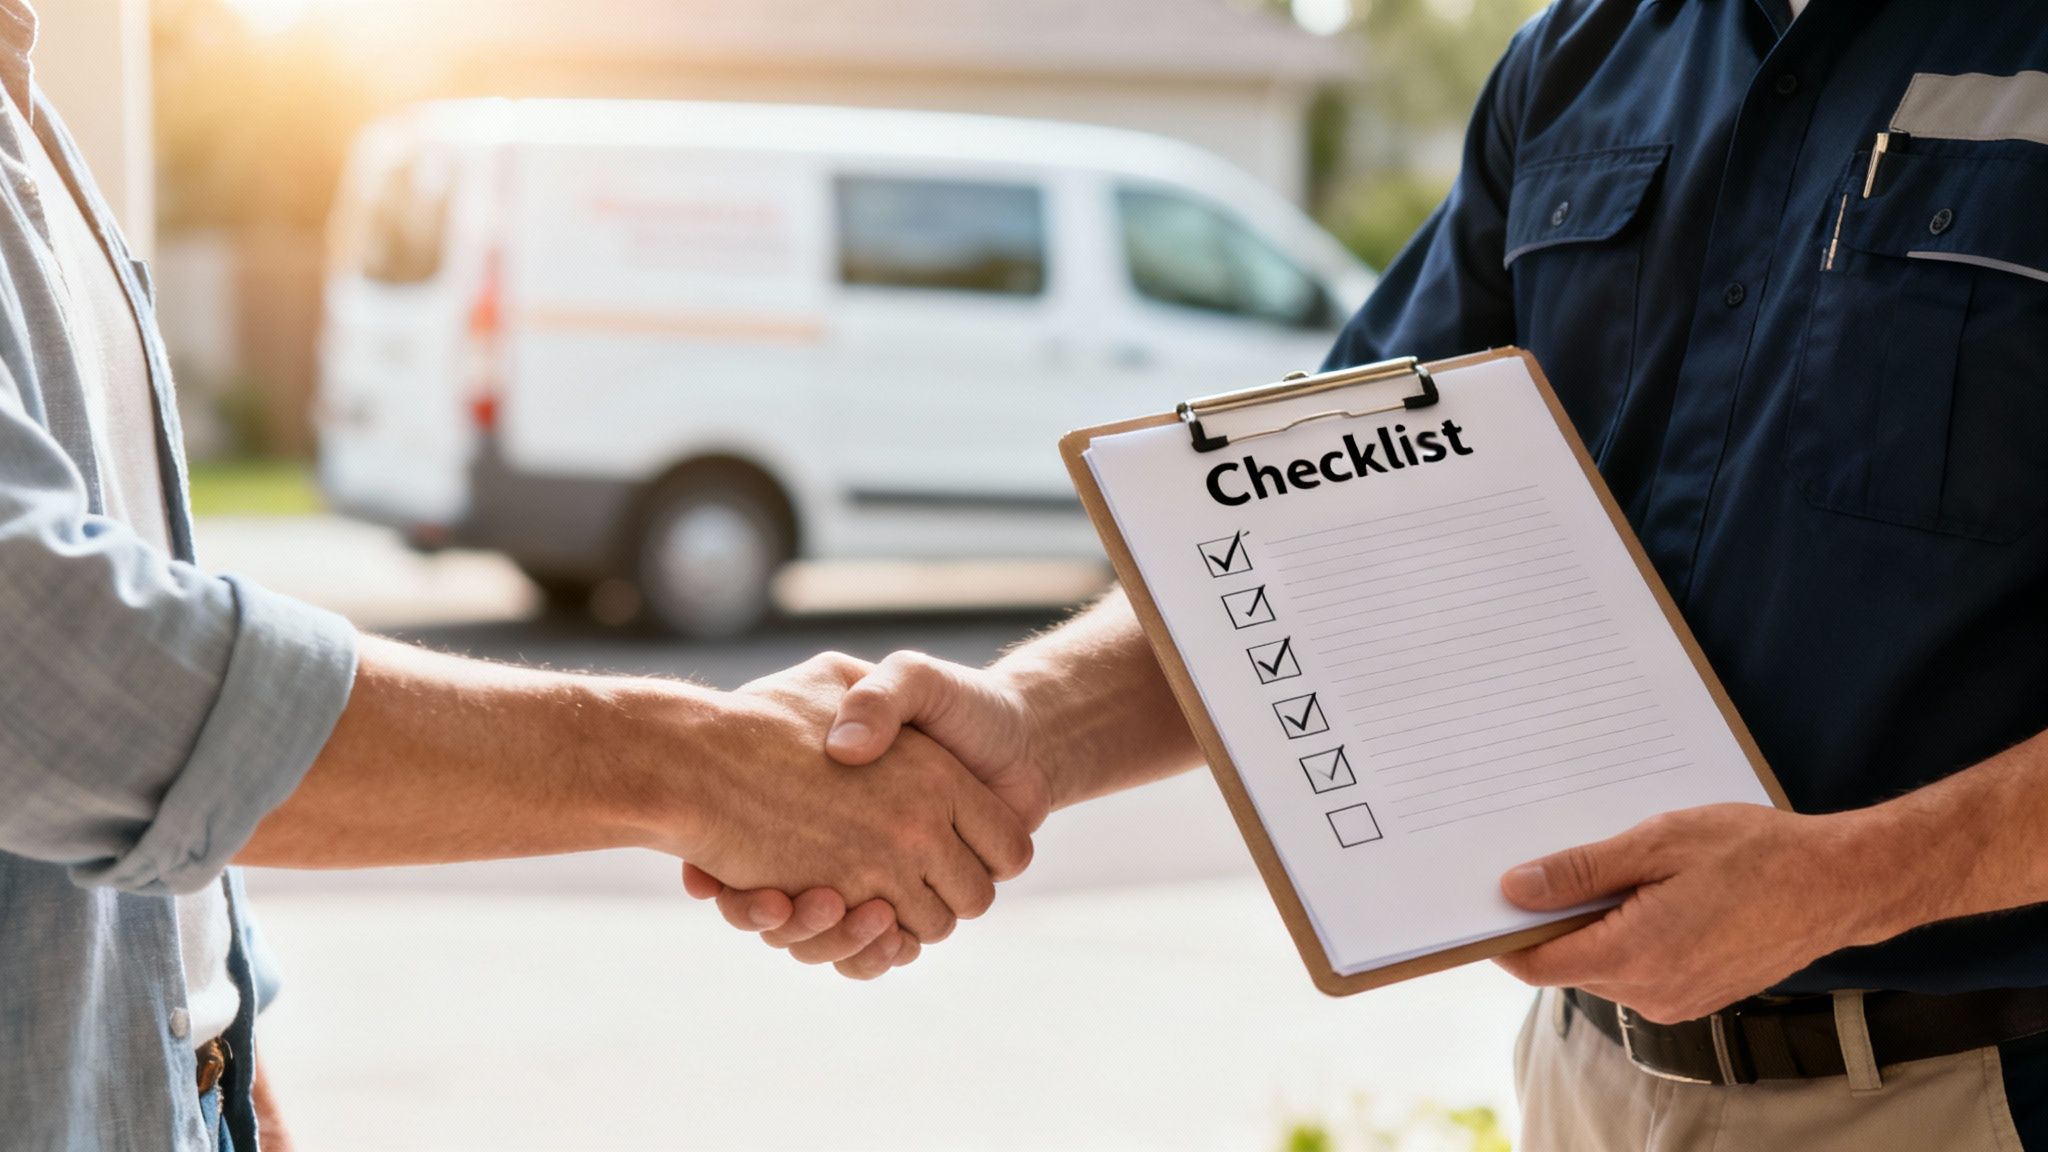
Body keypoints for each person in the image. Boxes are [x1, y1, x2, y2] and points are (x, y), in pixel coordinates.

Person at [692, 0, 2048, 1148]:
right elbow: (1319, 531)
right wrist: (1026, 728)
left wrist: (1847, 880)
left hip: (1975, 1092)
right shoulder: (1584, 54)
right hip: (1588, 1087)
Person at [0, 5, 1028, 1147]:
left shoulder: (33, 115)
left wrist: (228, 1032)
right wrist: (697, 769)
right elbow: (52, 677)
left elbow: (142, 637)